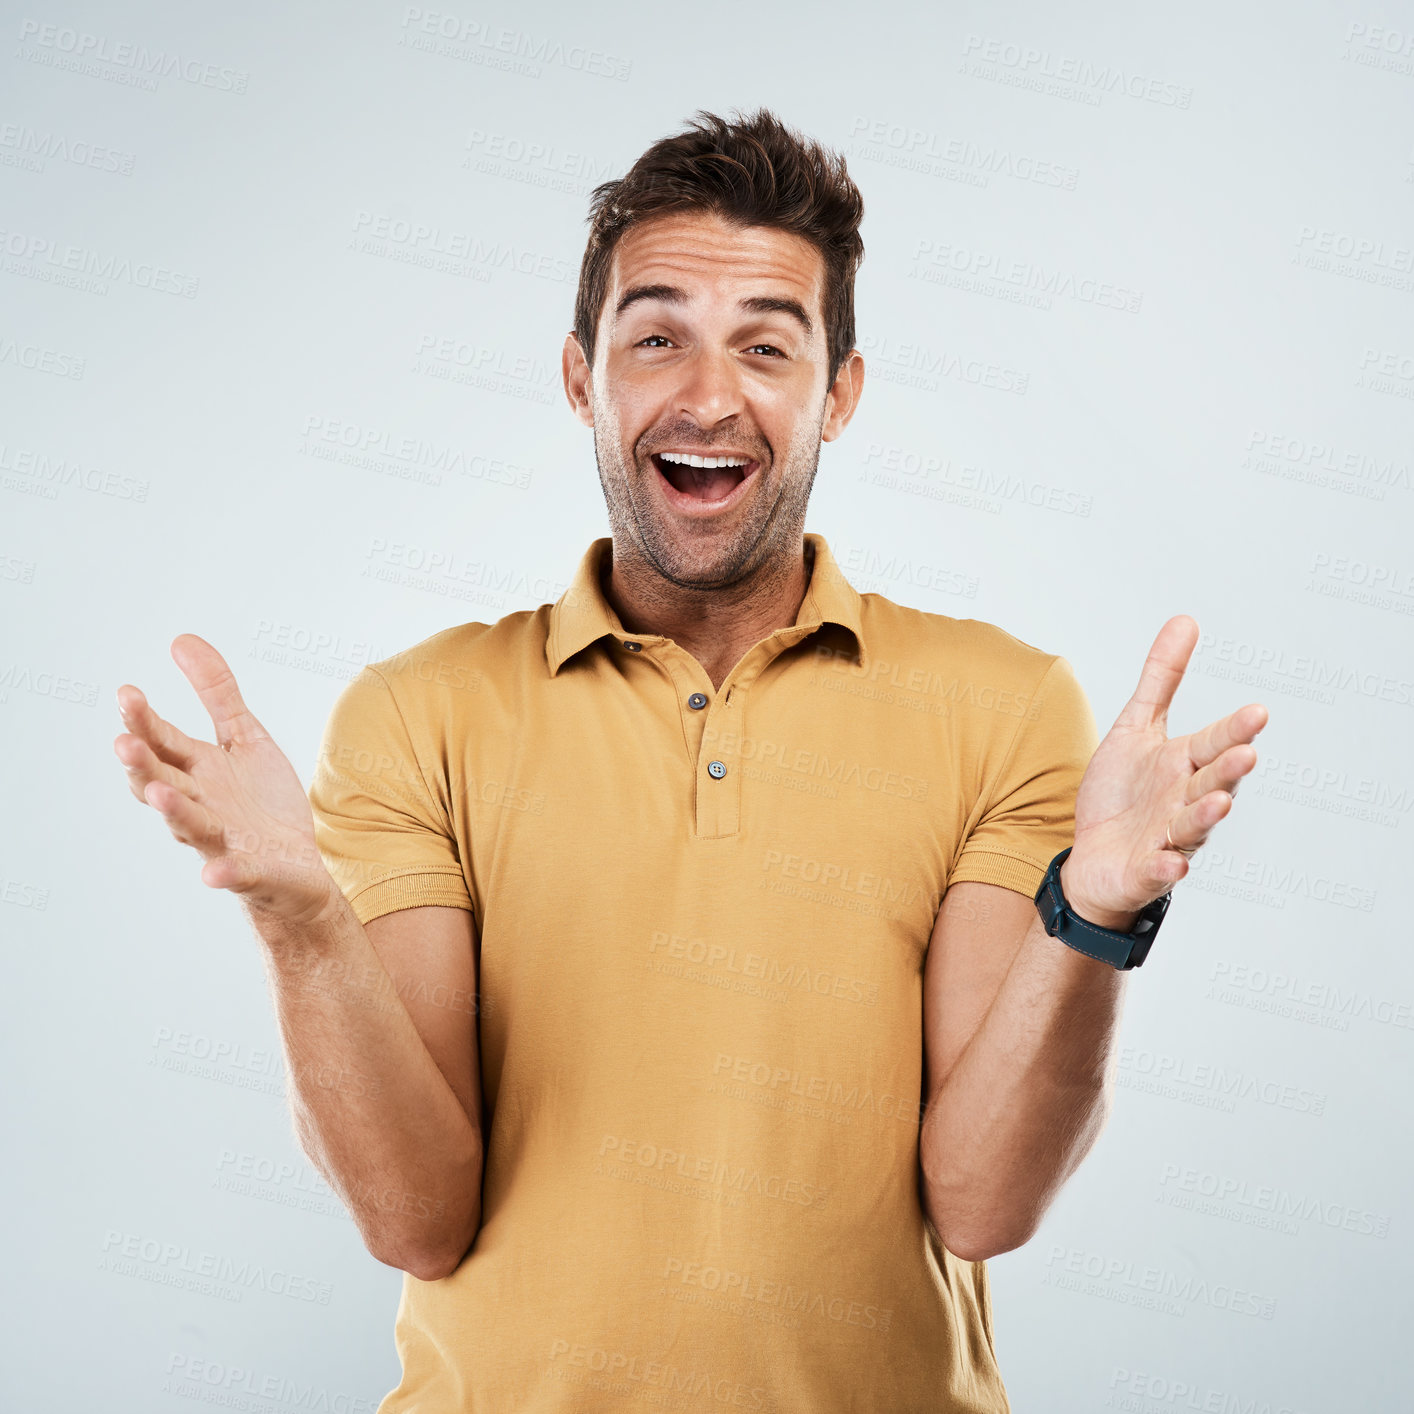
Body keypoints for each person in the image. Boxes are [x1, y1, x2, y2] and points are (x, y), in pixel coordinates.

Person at [113, 109, 1268, 1413]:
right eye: (653, 336)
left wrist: (1094, 918)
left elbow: (981, 1198)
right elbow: (416, 1219)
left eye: (766, 347)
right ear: (578, 377)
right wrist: (300, 918)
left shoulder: (1001, 705)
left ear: (838, 392)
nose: (707, 395)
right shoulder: (417, 714)